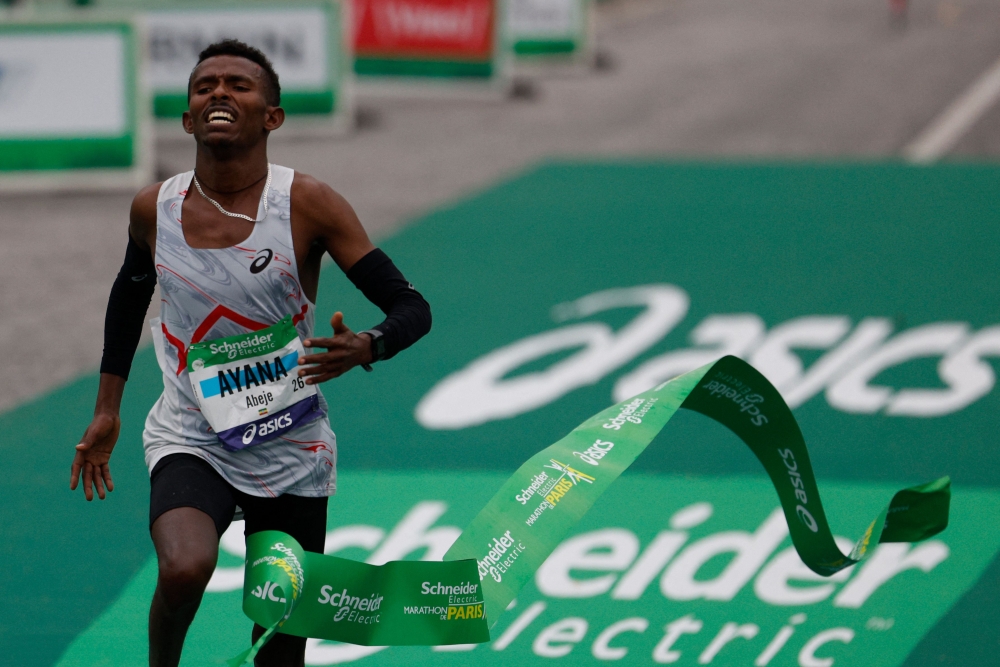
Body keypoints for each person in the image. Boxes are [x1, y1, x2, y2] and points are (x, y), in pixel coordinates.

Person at [68, 39, 431, 667]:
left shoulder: (308, 204)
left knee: (279, 642)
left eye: (238, 84)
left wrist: (367, 345)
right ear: (186, 119)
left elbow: (412, 308)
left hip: (290, 442)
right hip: (191, 432)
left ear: (272, 116)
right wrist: (108, 409)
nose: (218, 93)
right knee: (185, 567)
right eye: (205, 85)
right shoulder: (155, 208)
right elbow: (127, 302)